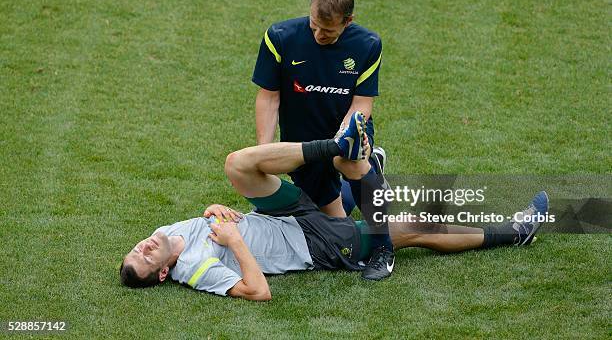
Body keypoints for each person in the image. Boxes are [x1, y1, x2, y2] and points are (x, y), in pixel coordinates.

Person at [119, 116, 550, 300]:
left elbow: (215, 224)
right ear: (162, 273)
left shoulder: (165, 232)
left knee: (239, 164)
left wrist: (216, 212)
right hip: (313, 244)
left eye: (135, 249)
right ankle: (515, 231)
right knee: (415, 225)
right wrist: (233, 239)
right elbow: (258, 291)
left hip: (281, 217)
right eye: (144, 259)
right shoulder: (193, 268)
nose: (141, 247)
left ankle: (342, 154)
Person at [252, 0, 395, 279]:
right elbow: (269, 97)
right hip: (303, 139)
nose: (318, 35)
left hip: (347, 126)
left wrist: (343, 139)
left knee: (350, 160)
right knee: (334, 227)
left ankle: (384, 248)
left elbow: (362, 103)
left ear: (348, 21)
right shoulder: (279, 37)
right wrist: (263, 154)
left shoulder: (367, 44)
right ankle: (373, 172)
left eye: (328, 31)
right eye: (314, 25)